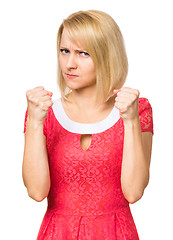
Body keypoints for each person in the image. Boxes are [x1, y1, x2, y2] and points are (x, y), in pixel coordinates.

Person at [22, 9, 154, 240]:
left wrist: (131, 122)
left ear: (107, 55)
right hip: (57, 233)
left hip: (116, 233)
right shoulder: (43, 112)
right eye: (64, 51)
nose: (69, 64)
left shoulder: (136, 109)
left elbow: (133, 193)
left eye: (83, 53)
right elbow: (36, 191)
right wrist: (34, 123)